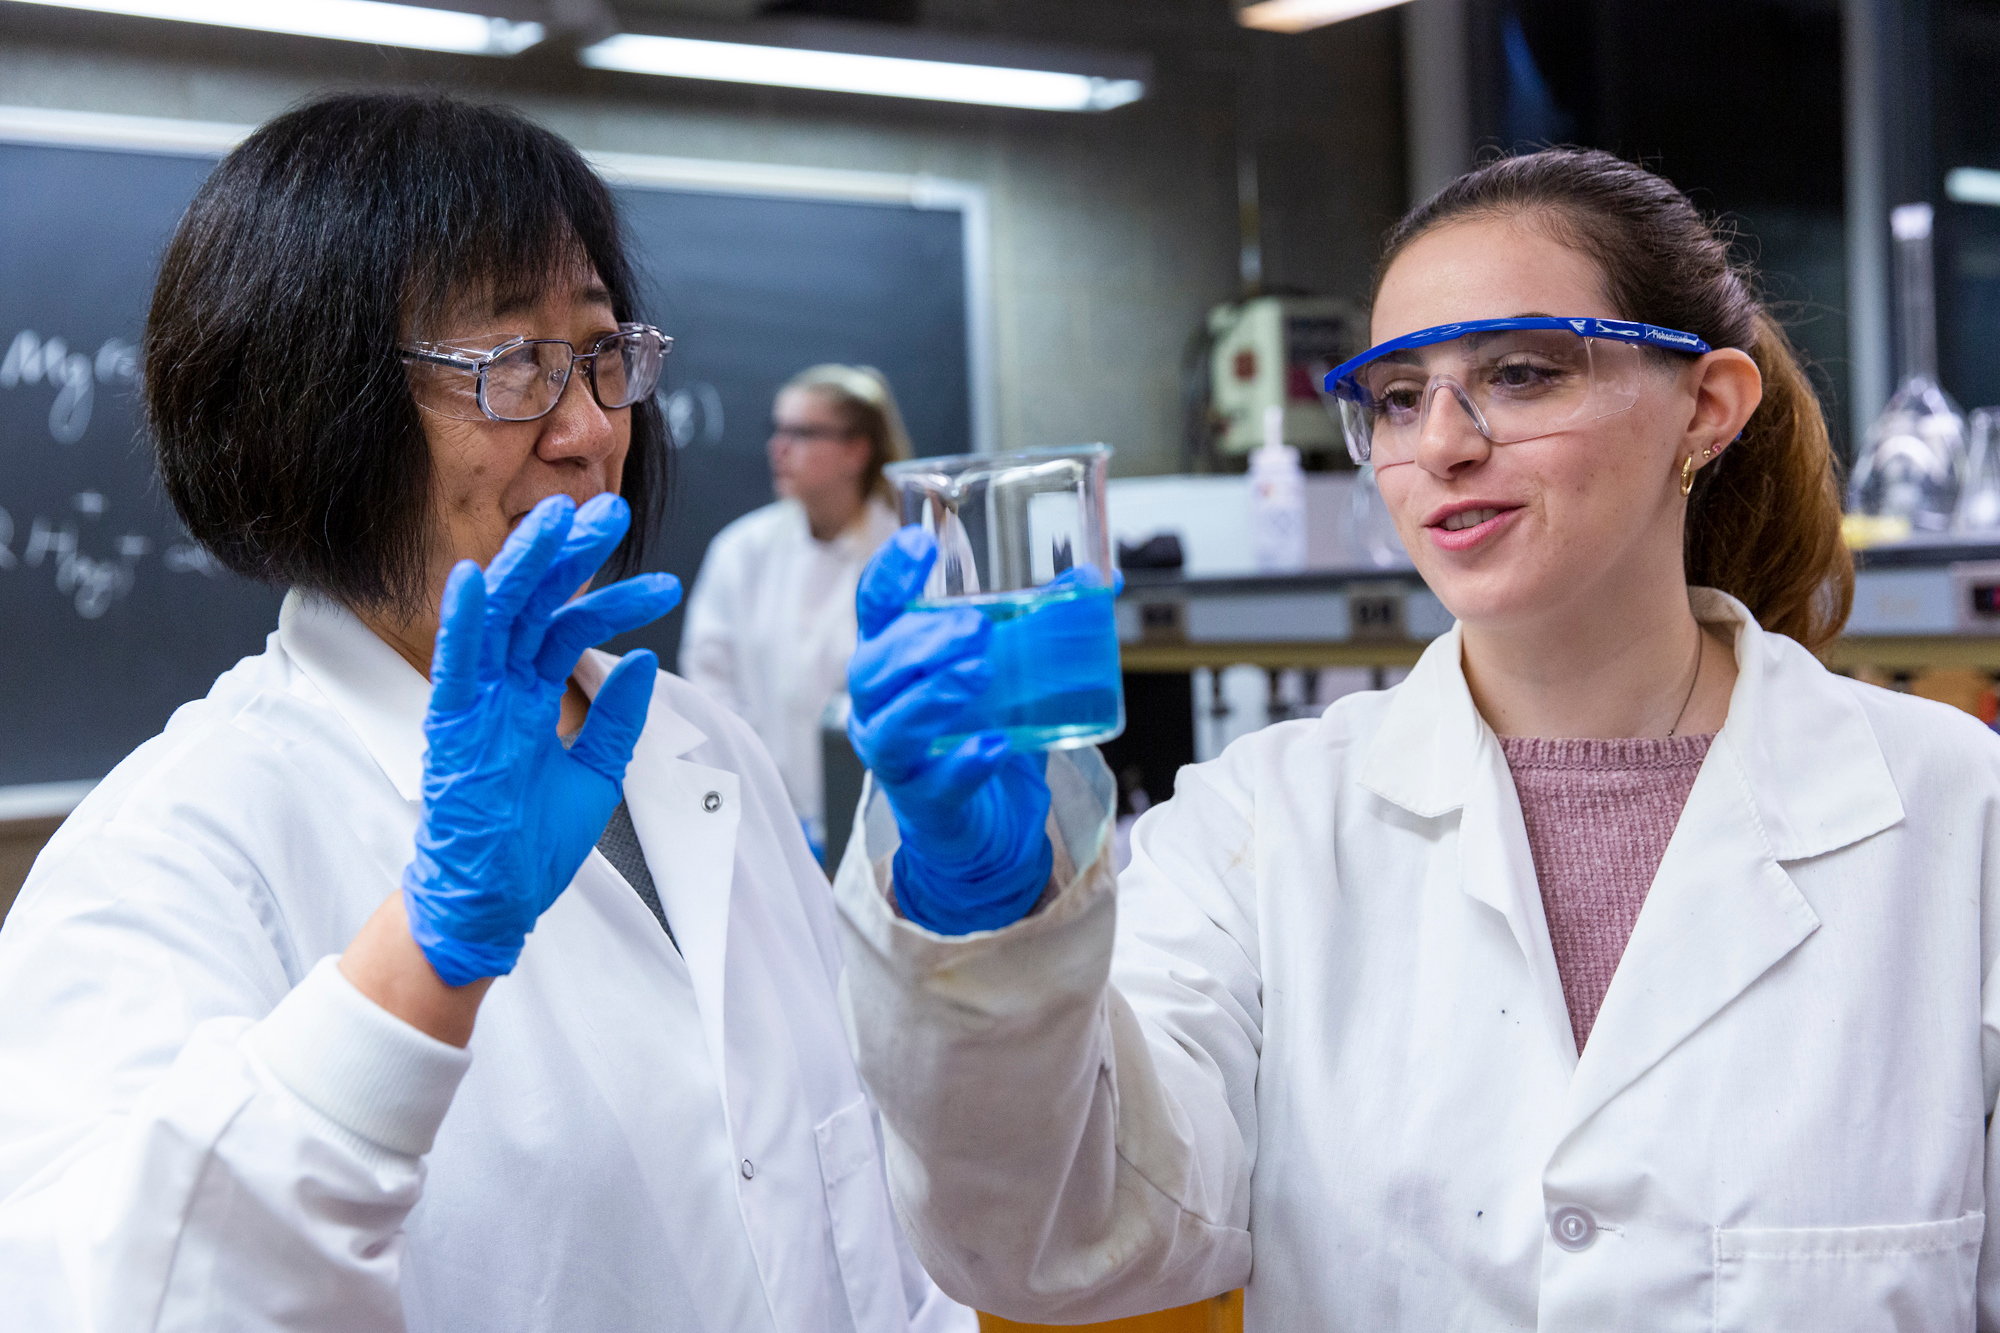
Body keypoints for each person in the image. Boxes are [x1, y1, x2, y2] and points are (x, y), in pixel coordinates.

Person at [832, 148, 2000, 1328]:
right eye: (1397, 396)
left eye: (1522, 374)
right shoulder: (1265, 824)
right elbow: (1062, 1235)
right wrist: (982, 926)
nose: (1439, 444)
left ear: (1705, 407)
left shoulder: (1959, 817)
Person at [0, 93, 972, 1333]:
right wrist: (421, 957)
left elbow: (861, 1235)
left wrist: (958, 918)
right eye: (510, 366)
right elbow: (102, 1298)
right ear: (311, 410)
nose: (586, 430)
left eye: (601, 353)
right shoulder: (176, 844)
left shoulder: (689, 745)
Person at [680, 365, 906, 857]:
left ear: (856, 450)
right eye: (776, 430)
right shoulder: (742, 551)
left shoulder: (905, 556)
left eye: (801, 433)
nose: (777, 448)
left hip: (891, 829)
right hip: (764, 825)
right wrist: (761, 805)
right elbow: (709, 691)